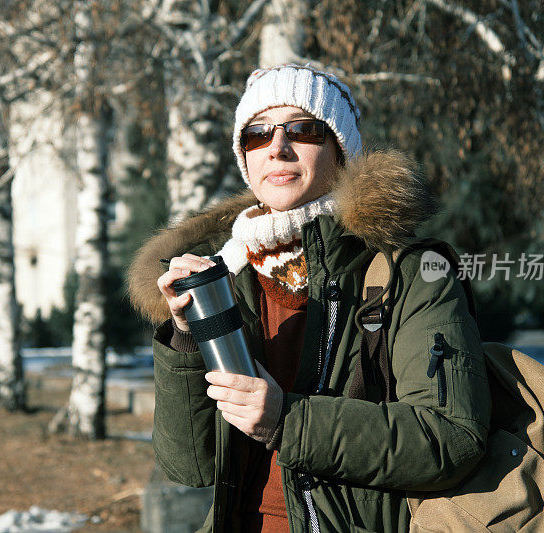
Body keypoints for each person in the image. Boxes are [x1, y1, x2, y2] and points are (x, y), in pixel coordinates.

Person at [128, 64, 491, 533]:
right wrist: (185, 338)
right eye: (257, 135)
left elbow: (451, 439)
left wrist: (288, 420)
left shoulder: (411, 272)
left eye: (302, 129)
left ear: (340, 151)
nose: (277, 148)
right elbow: (192, 467)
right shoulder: (225, 274)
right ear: (245, 158)